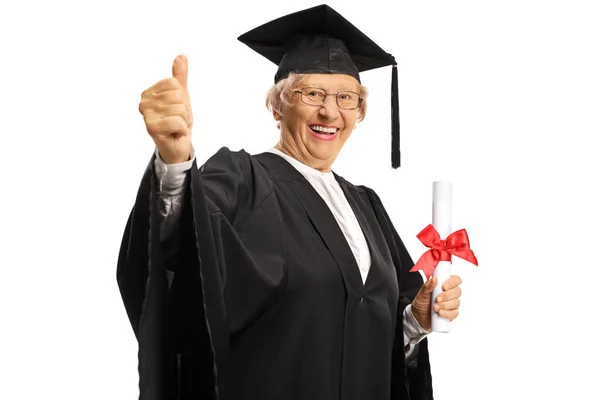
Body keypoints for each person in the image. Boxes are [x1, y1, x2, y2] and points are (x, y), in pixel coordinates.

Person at [117, 4, 463, 400]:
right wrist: (176, 160)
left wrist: (413, 322)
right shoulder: (241, 178)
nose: (330, 111)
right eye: (312, 93)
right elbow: (184, 259)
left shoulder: (367, 206)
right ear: (278, 105)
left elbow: (364, 346)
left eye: (347, 98)